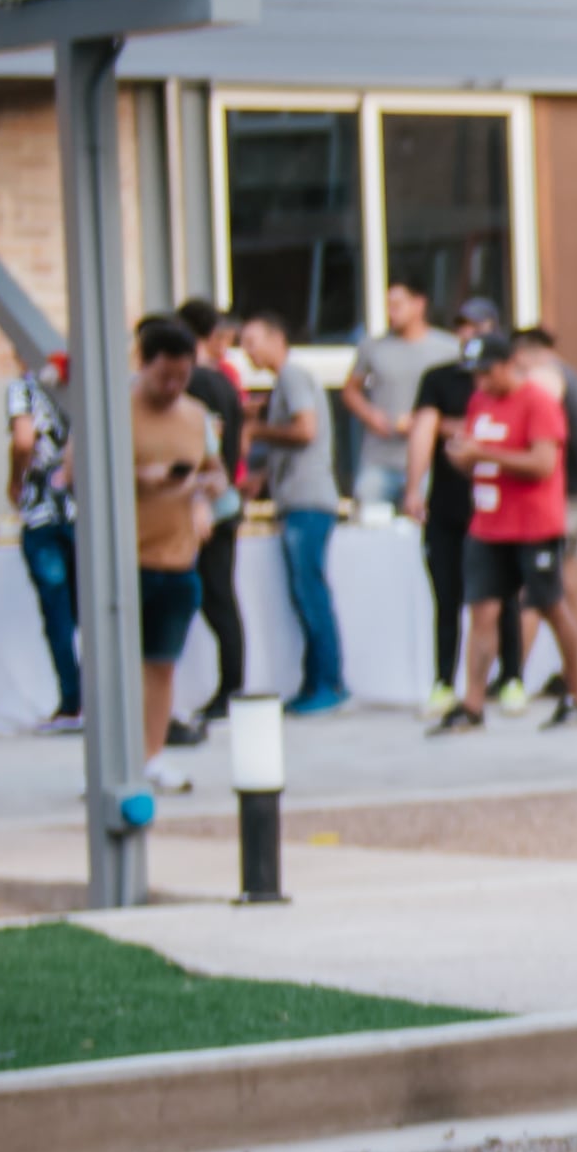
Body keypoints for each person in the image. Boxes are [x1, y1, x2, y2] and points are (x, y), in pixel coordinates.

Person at [440, 322, 577, 732]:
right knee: (482, 611)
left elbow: (542, 463)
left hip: (533, 523)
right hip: (488, 524)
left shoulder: (538, 403)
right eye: (475, 374)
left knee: (550, 605)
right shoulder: (479, 403)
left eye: (488, 371)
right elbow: (473, 452)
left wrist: (484, 453)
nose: (481, 381)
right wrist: (462, 458)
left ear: (510, 365)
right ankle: (472, 703)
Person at [238, 312, 350, 713]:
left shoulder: (292, 376)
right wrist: (262, 476)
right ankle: (314, 683)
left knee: (310, 592)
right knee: (304, 594)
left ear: (275, 338)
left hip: (308, 502)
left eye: (250, 341)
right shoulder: (285, 381)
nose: (245, 351)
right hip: (297, 500)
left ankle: (329, 684)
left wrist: (254, 432)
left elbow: (305, 430)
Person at [129, 318, 221, 788]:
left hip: (179, 560)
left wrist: (204, 495)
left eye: (182, 378)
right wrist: (140, 478)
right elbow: (75, 476)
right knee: (120, 667)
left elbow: (218, 473)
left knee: (162, 665)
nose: (172, 387)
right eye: (164, 376)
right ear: (142, 364)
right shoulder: (114, 410)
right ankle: (117, 759)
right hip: (128, 564)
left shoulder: (197, 415)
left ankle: (153, 755)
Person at [172, 299, 250, 731]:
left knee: (213, 597)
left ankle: (230, 689)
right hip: (224, 499)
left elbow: (205, 450)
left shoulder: (197, 384)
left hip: (207, 505)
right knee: (220, 597)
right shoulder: (223, 382)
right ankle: (231, 685)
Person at [413, 304, 487, 712]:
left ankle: (505, 678)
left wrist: (454, 427)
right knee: (448, 598)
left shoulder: (503, 383)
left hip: (492, 509)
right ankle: (444, 681)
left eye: (479, 325)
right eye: (463, 325)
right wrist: (413, 488)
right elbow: (423, 429)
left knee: (495, 601)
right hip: (446, 504)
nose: (470, 332)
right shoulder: (440, 378)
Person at [10, 352, 87, 729]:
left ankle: (72, 702)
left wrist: (16, 479)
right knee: (92, 609)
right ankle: (99, 697)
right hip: (85, 512)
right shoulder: (86, 386)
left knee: (57, 615)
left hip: (43, 510)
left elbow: (24, 441)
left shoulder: (24, 388)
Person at [346, 279, 445, 516]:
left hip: (426, 462)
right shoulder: (372, 347)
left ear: (419, 304)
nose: (391, 312)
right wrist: (369, 414)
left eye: (397, 305)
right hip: (379, 457)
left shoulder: (446, 348)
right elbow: (350, 390)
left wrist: (426, 424)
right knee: (370, 524)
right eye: (388, 305)